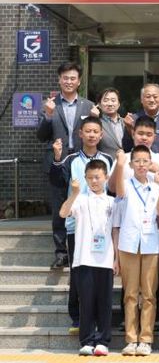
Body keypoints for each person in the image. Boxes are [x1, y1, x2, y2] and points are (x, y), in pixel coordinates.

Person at [49, 116, 113, 335]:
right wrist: (57, 158)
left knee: (100, 275)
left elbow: (112, 191)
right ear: (80, 134)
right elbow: (58, 182)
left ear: (101, 135)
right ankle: (77, 318)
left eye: (95, 131)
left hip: (101, 228)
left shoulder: (108, 159)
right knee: (78, 273)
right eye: (88, 131)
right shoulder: (71, 159)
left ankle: (98, 319)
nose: (92, 135)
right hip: (76, 226)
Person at [37, 61, 95, 269]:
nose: (69, 81)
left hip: (81, 161)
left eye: (73, 78)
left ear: (79, 81)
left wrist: (96, 119)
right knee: (59, 206)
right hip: (57, 160)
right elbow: (41, 136)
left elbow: (95, 132)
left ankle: (83, 247)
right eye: (65, 78)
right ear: (59, 80)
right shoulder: (50, 105)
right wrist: (48, 115)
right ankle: (61, 253)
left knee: (84, 203)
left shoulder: (88, 106)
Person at [113, 145, 159, 356]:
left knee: (149, 294)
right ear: (131, 164)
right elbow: (118, 191)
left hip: (151, 244)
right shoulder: (125, 184)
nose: (141, 165)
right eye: (137, 161)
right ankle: (130, 339)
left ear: (151, 163)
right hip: (128, 245)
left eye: (145, 161)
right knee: (130, 294)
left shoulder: (156, 186)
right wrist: (119, 165)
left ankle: (145, 339)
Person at [58, 160, 116, 356]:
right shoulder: (80, 199)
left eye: (97, 177)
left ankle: (103, 341)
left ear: (106, 177)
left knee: (104, 302)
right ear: (85, 179)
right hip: (83, 259)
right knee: (86, 302)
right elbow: (63, 213)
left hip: (105, 259)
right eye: (90, 178)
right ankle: (87, 340)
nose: (94, 181)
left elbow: (115, 231)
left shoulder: (112, 202)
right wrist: (74, 193)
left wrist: (116, 258)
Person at [123, 83, 159, 163]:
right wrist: (129, 128)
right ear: (141, 99)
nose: (152, 100)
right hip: (139, 166)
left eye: (155, 97)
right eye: (148, 97)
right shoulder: (133, 119)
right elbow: (126, 147)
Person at [95, 88, 125, 158]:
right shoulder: (97, 123)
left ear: (118, 104)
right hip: (105, 162)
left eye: (113, 100)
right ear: (99, 105)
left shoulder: (126, 123)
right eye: (106, 100)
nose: (110, 104)